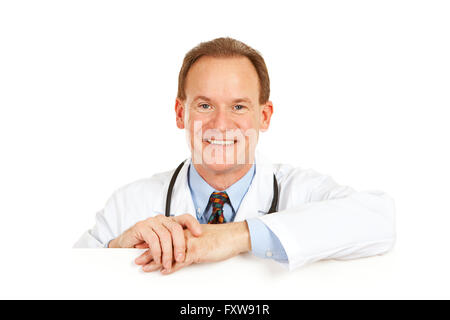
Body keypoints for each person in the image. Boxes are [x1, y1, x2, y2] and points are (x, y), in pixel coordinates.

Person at [74, 37, 396, 274]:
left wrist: (236, 236)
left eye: (239, 107)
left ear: (264, 116)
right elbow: (67, 281)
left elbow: (380, 220)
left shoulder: (301, 191)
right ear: (179, 112)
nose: (221, 124)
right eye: (204, 105)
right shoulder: (129, 204)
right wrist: (114, 253)